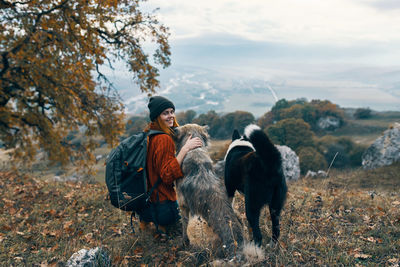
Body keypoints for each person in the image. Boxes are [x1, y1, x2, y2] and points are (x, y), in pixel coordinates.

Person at [136, 95, 203, 239]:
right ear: (157, 116)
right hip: (163, 207)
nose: (171, 116)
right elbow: (166, 175)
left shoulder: (149, 134)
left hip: (146, 205)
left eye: (172, 111)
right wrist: (185, 149)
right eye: (165, 113)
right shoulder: (163, 139)